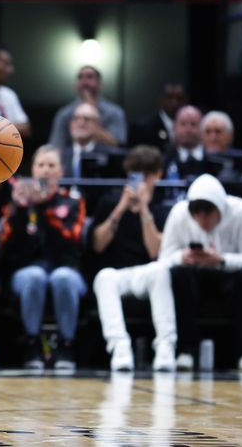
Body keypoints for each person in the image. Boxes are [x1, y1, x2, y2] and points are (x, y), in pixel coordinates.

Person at [162, 174, 242, 372]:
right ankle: (186, 350)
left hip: (229, 274)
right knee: (177, 276)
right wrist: (183, 256)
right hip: (193, 275)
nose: (202, 220)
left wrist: (222, 259)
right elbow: (164, 258)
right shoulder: (179, 213)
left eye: (208, 214)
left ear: (220, 208)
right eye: (197, 214)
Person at [0, 145, 86, 371]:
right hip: (28, 269)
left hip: (65, 267)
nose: (45, 170)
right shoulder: (20, 202)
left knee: (63, 278)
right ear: (33, 170)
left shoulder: (73, 203)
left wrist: (45, 206)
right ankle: (32, 343)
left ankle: (68, 343)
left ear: (61, 171)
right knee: (34, 275)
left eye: (51, 165)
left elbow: (71, 239)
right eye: (41, 165)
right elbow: (6, 243)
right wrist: (19, 209)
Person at [90, 145, 176, 371]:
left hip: (147, 273)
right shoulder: (110, 201)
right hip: (117, 273)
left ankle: (166, 347)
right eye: (135, 174)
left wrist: (145, 209)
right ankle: (119, 348)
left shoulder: (163, 209)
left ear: (158, 175)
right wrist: (121, 208)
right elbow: (98, 245)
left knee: (161, 271)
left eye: (146, 174)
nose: (140, 180)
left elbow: (155, 252)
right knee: (103, 277)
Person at [48, 65, 127, 149]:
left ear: (100, 84)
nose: (84, 82)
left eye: (90, 77)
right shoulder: (64, 114)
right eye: (80, 78)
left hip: (106, 158)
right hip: (70, 159)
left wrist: (93, 127)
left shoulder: (114, 112)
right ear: (76, 85)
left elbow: (118, 144)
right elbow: (55, 145)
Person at [59, 102, 120, 179]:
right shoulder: (60, 156)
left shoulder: (109, 156)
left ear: (97, 125)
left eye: (87, 119)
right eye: (76, 118)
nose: (81, 123)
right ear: (70, 124)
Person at [128, 82, 187, 152]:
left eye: (179, 98)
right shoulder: (143, 128)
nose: (175, 102)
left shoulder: (193, 127)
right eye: (169, 97)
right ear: (161, 99)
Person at [163, 105, 214, 181]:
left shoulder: (214, 159)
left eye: (193, 124)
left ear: (202, 127)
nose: (188, 130)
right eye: (183, 124)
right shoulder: (164, 160)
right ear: (174, 127)